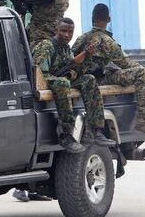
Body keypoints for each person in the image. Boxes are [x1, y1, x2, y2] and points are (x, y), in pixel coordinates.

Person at [72, 3, 145, 140]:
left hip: (86, 79)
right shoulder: (105, 40)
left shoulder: (81, 38)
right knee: (142, 73)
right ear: (108, 19)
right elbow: (124, 63)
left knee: (143, 73)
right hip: (99, 79)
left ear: (92, 18)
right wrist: (144, 69)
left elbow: (71, 58)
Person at [34, 17, 112, 153]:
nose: (66, 35)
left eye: (70, 32)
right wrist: (63, 77)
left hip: (61, 81)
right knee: (63, 83)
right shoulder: (47, 45)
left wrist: (86, 57)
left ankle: (94, 130)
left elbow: (77, 71)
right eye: (63, 31)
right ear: (57, 30)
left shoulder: (67, 49)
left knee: (89, 79)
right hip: (49, 82)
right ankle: (66, 134)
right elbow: (41, 74)